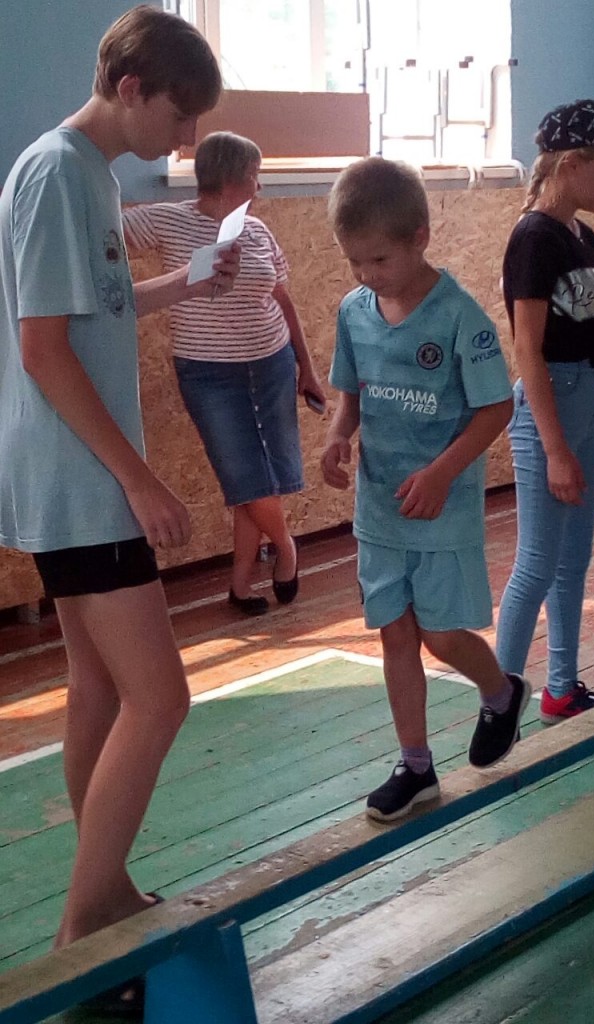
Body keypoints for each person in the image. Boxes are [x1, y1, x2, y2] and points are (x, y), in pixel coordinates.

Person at [0, 5, 238, 1014]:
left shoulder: (90, 174)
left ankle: (106, 895)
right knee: (161, 697)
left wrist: (185, 281)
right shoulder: (58, 173)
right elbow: (42, 347)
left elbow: (91, 306)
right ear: (132, 87)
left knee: (99, 689)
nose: (186, 140)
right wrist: (138, 479)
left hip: (70, 478)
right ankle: (82, 932)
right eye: (180, 117)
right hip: (81, 481)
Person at [322, 156, 528, 823]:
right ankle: (415, 765)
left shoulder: (460, 317)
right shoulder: (354, 312)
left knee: (441, 635)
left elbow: (496, 407)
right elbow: (350, 395)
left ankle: (501, 693)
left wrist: (442, 472)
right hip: (380, 510)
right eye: (354, 262)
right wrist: (337, 437)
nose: (366, 274)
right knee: (395, 634)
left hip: (441, 511)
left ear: (419, 237)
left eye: (378, 260)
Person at [123, 131, 325, 614]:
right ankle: (287, 548)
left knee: (262, 478)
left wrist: (306, 367)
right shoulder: (169, 219)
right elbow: (103, 228)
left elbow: (283, 300)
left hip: (272, 364)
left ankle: (239, 585)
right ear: (231, 179)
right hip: (208, 375)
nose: (260, 187)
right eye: (254, 176)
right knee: (245, 477)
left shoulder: (257, 230)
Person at [495, 99, 594, 725]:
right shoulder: (533, 239)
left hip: (586, 397)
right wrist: (555, 448)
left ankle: (561, 687)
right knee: (536, 562)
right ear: (569, 164)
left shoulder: (583, 236)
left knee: (573, 560)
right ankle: (498, 704)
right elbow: (527, 350)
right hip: (549, 407)